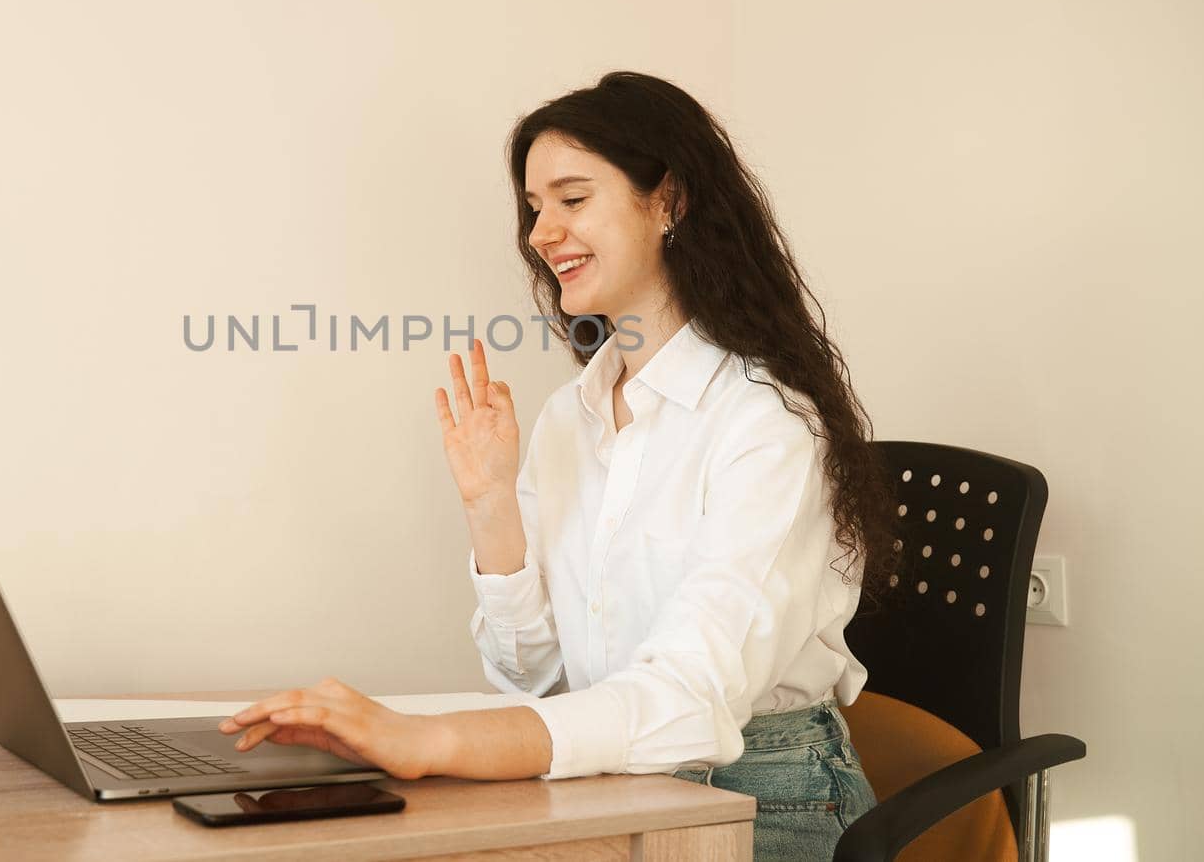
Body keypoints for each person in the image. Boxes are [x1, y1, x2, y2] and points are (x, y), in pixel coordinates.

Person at [217, 71, 893, 860]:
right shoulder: (570, 415)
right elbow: (535, 681)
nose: (542, 233)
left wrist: (430, 739)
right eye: (536, 208)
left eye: (572, 200)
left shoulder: (767, 425)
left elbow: (685, 702)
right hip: (619, 781)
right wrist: (490, 505)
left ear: (668, 200)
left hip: (767, 797)